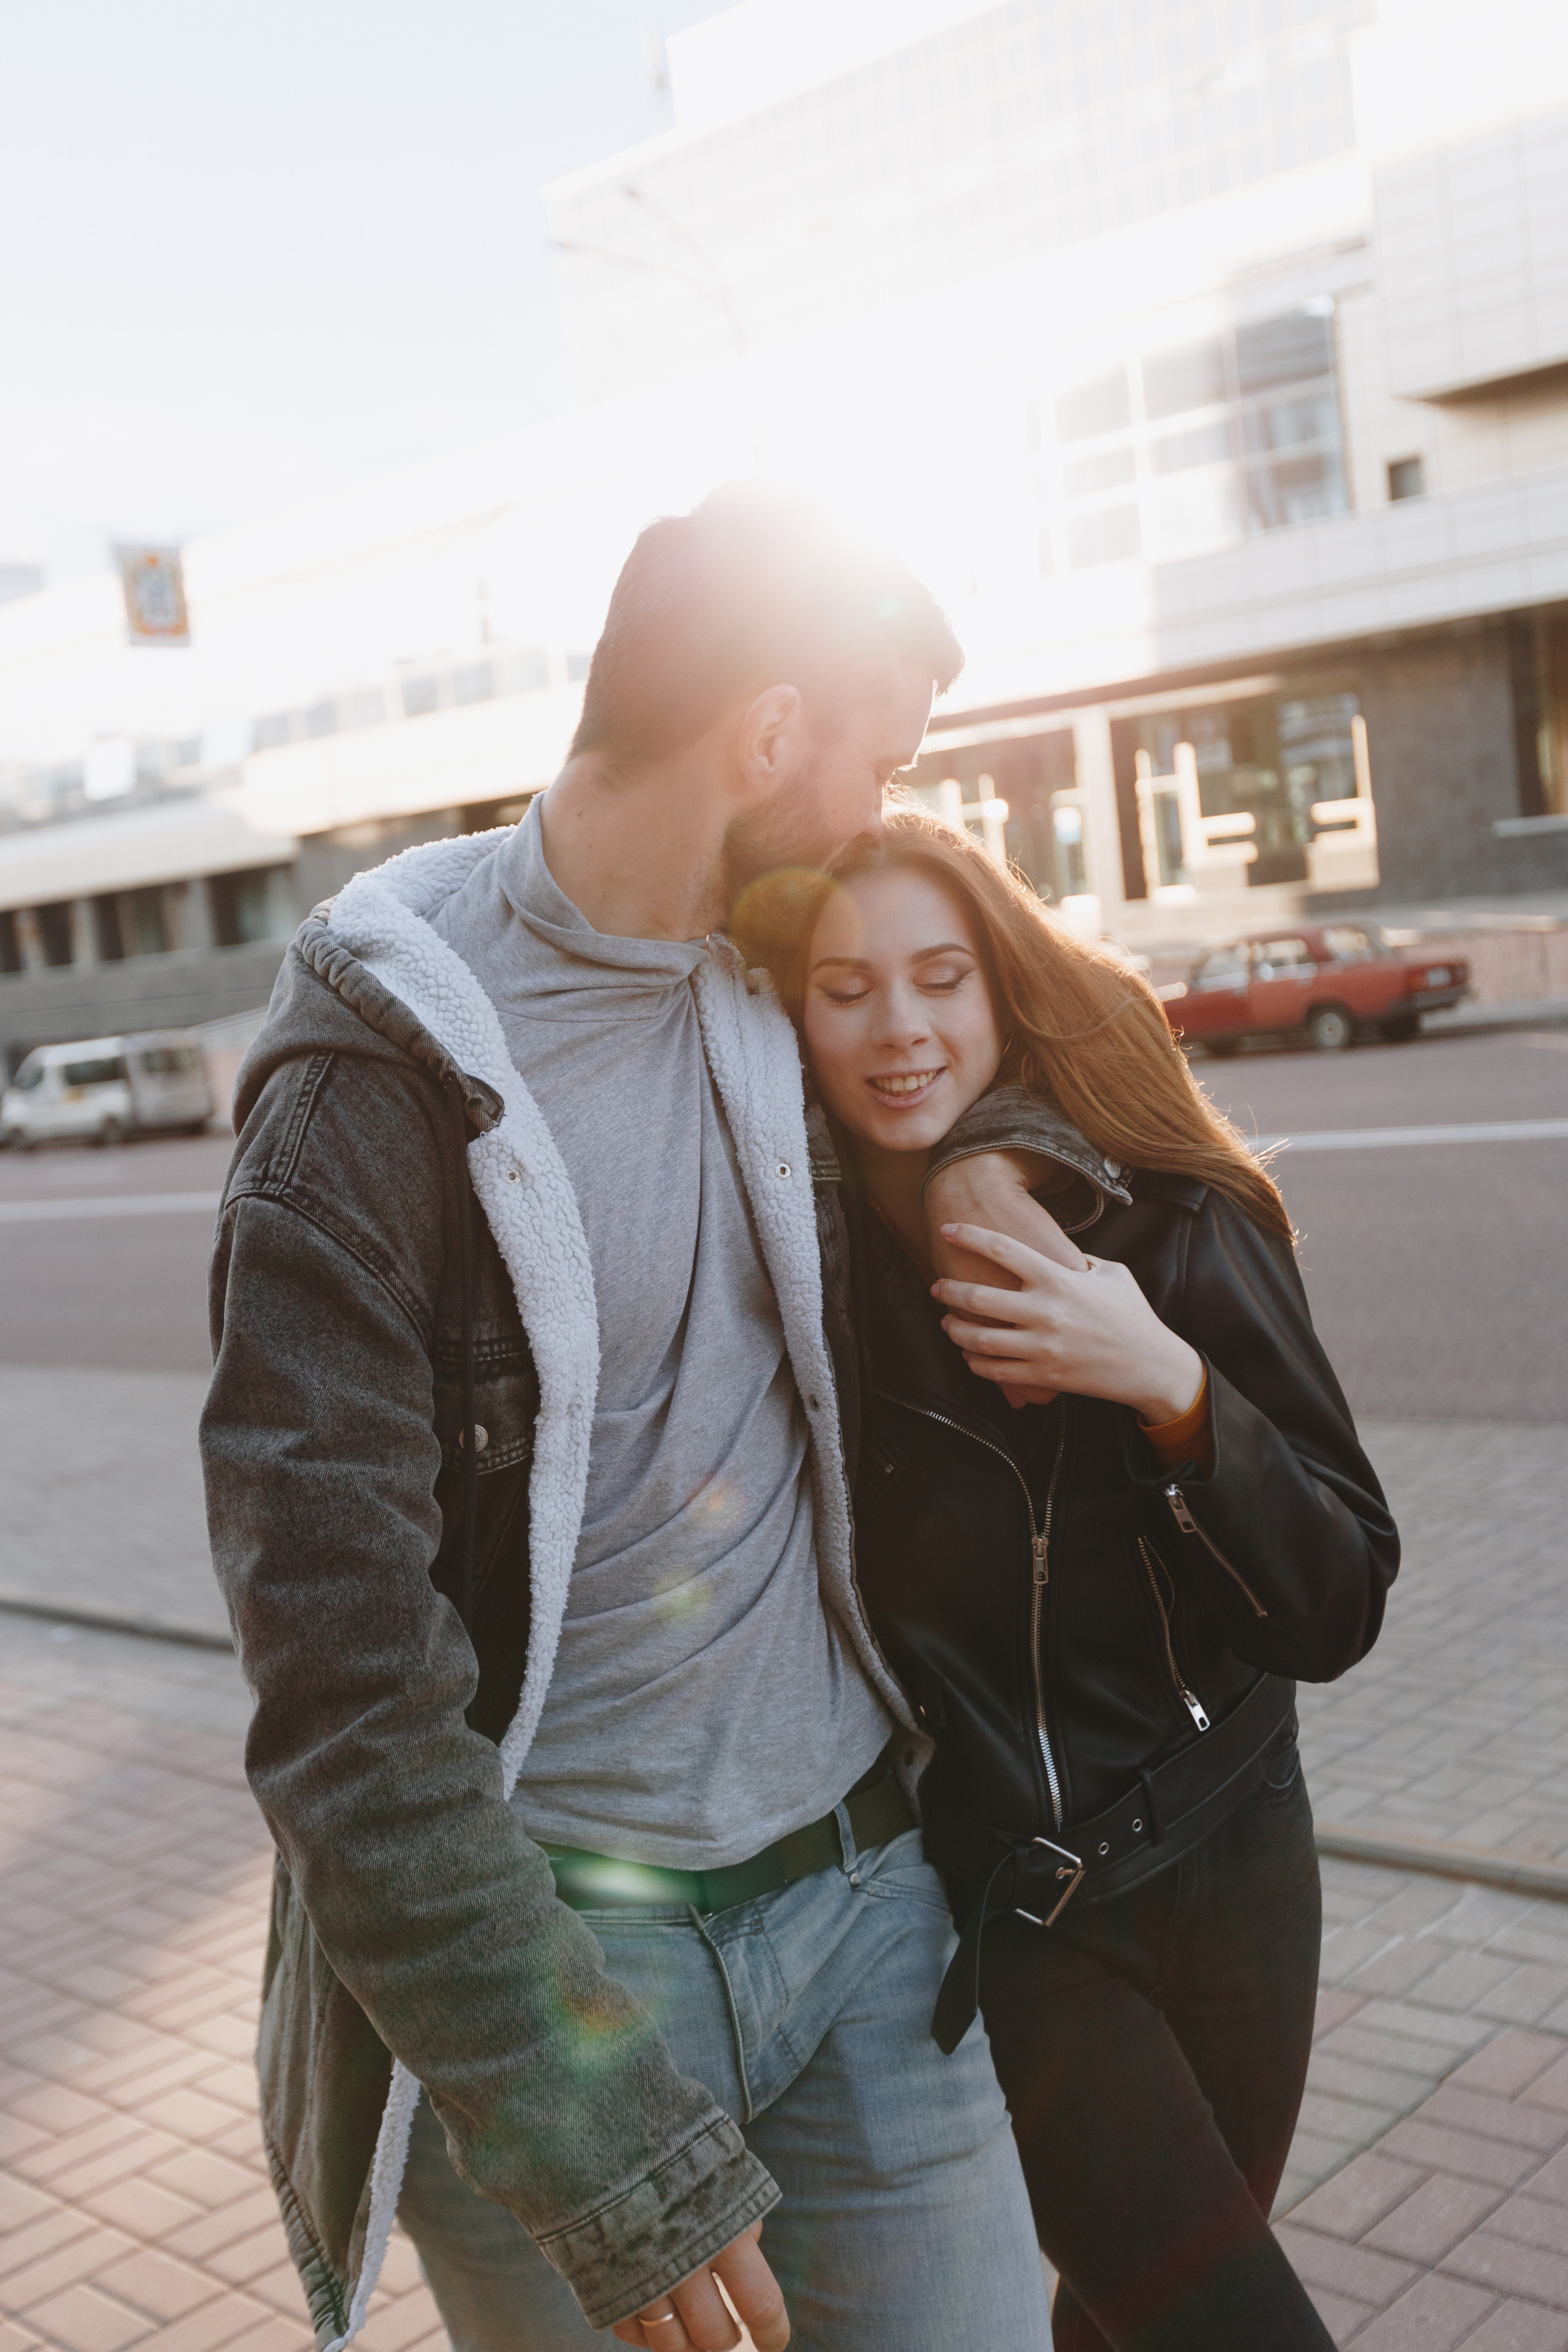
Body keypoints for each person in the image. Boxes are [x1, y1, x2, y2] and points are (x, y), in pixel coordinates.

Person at [201, 490, 1063, 2352]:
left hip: (873, 1904)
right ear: (762, 736)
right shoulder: (366, 1099)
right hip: (572, 1980)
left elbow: (1021, 1061)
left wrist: (1014, 1189)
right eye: (871, 765)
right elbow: (342, 1701)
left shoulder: (783, 969)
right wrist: (589, 2134)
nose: (880, 818)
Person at [751, 801, 1400, 2351]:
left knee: (1119, 2326)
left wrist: (1168, 1384)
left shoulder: (1170, 1225)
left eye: (937, 978)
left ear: (998, 989)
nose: (898, 1030)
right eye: (843, 992)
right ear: (793, 1020)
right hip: (1023, 1921)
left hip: (1238, 1859)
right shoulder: (801, 1279)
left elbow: (1337, 1600)